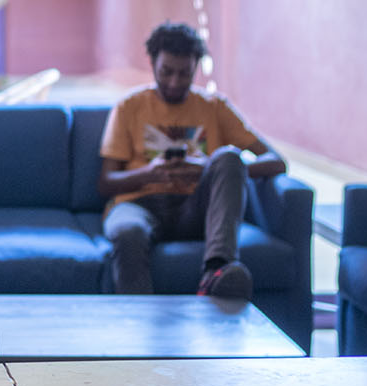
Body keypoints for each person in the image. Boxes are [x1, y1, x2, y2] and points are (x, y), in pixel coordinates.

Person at [98, 21, 287, 299]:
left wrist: (207, 168)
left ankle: (218, 273)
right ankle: (136, 323)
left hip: (195, 208)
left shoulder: (215, 107)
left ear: (196, 67)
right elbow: (105, 183)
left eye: (184, 74)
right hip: (140, 204)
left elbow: (276, 161)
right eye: (167, 72)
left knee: (228, 158)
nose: (175, 82)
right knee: (127, 232)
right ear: (152, 64)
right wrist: (151, 173)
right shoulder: (129, 107)